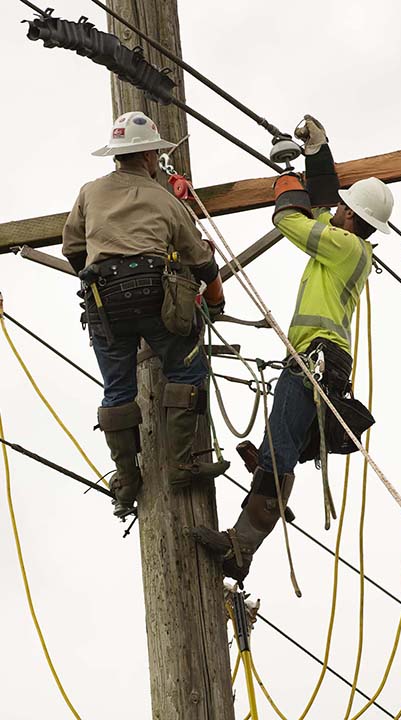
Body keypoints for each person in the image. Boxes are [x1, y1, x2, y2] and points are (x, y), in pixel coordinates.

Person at [192, 116, 393, 582]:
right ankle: (255, 506)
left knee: (279, 450)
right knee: (276, 449)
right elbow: (322, 202)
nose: (336, 209)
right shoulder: (347, 242)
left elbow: (288, 219)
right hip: (319, 359)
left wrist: (283, 175)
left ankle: (240, 548)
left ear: (352, 217)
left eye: (343, 207)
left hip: (316, 359)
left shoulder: (345, 247)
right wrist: (318, 152)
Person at [61, 111, 229, 519]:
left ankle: (127, 478)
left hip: (104, 301)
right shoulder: (163, 199)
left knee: (117, 389)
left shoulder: (89, 192)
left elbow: (72, 250)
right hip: (156, 296)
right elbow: (199, 257)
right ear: (152, 156)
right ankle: (181, 466)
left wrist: (100, 274)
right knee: (187, 371)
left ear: (117, 155)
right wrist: (215, 295)